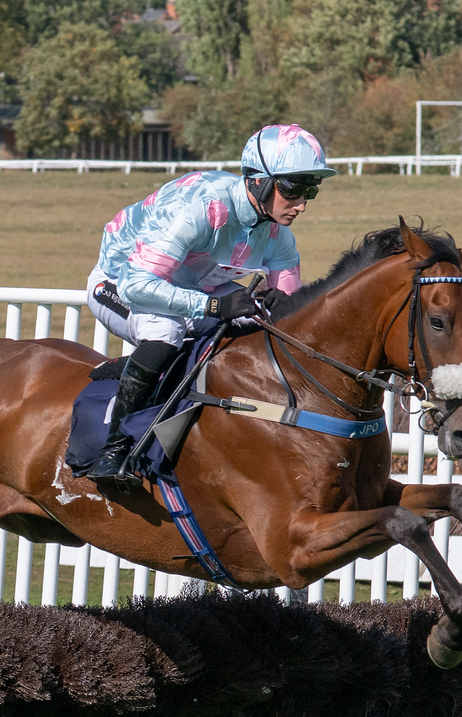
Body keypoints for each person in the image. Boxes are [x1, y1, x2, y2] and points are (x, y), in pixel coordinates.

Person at [85, 123, 337, 487]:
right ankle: (114, 449)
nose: (301, 204)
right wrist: (214, 307)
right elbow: (137, 285)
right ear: (257, 181)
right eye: (293, 189)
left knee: (259, 321)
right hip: (119, 283)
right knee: (166, 330)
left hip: (193, 286)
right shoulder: (199, 207)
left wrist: (281, 305)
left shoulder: (278, 235)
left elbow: (291, 318)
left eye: (310, 190)